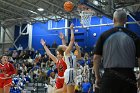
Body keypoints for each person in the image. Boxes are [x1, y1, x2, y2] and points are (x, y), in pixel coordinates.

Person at [93, 9, 140, 93]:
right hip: (128, 78)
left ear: (113, 20)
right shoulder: (134, 36)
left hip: (109, 77)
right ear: (125, 20)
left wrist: (97, 77)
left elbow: (96, 58)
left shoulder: (104, 36)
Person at [58, 23, 81, 93]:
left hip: (72, 72)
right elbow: (72, 40)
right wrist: (71, 29)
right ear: (63, 49)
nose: (65, 45)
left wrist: (78, 49)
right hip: (70, 71)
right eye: (63, 46)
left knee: (69, 91)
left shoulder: (69, 53)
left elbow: (79, 57)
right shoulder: (67, 52)